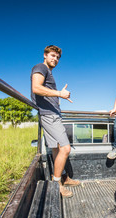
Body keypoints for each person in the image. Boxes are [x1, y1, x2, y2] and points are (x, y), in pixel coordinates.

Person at [31, 45, 80, 198]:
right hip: (49, 115)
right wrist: (60, 94)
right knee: (66, 148)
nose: (55, 59)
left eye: (57, 57)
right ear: (45, 55)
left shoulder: (48, 72)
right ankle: (57, 183)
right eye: (52, 55)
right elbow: (36, 88)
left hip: (52, 114)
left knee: (56, 149)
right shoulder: (41, 67)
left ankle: (64, 177)